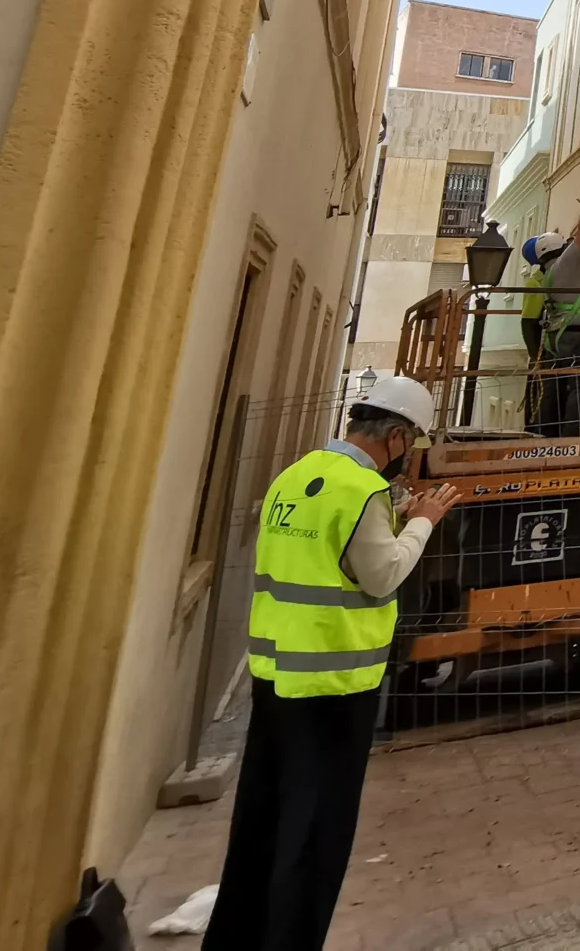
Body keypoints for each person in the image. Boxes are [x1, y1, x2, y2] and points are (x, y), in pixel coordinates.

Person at [203, 376, 457, 951]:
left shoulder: (295, 477)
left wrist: (392, 518)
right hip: (334, 685)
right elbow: (382, 575)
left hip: (276, 674)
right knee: (316, 834)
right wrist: (423, 520)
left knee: (262, 823)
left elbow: (323, 558)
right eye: (411, 442)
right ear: (396, 437)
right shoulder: (362, 491)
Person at [522, 184, 580, 436]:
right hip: (578, 336)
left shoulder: (550, 275)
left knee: (554, 386)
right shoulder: (567, 264)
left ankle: (546, 435)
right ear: (562, 248)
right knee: (579, 386)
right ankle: (568, 438)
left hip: (558, 338)